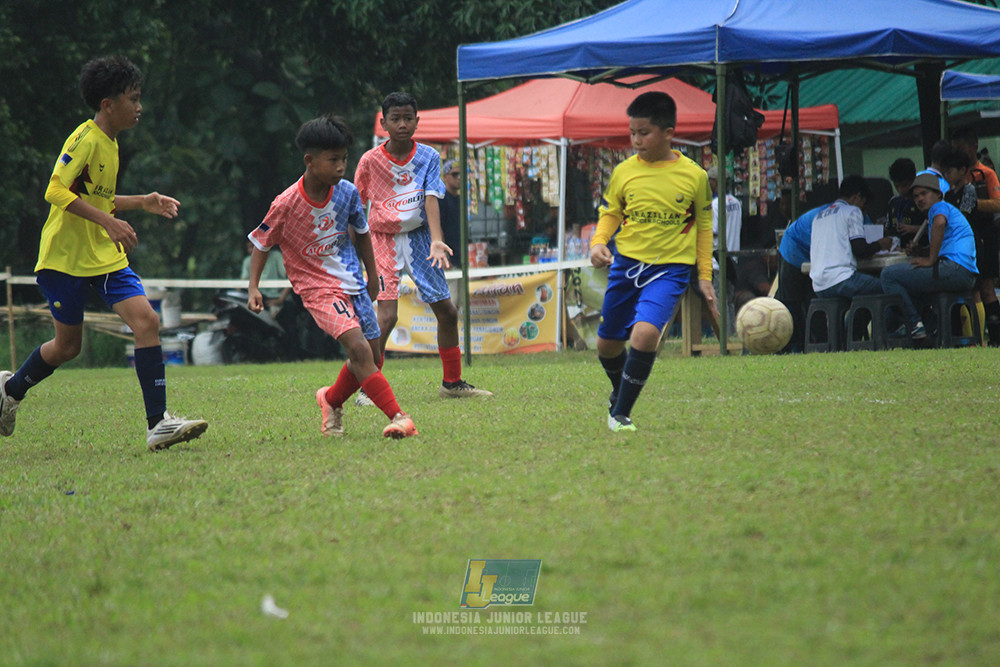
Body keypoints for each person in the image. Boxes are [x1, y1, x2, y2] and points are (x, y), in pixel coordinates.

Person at [0, 55, 207, 451]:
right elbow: (56, 190)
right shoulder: (85, 138)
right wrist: (108, 221)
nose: (139, 106)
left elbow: (100, 199)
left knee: (146, 321)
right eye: (133, 98)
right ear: (108, 104)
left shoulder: (111, 144)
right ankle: (9, 391)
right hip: (64, 259)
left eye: (140, 97)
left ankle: (157, 424)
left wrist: (141, 202)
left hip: (105, 257)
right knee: (67, 347)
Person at [247, 115, 417, 439]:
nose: (341, 167)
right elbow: (261, 242)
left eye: (344, 159)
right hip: (317, 288)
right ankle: (399, 417)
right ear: (309, 161)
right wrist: (253, 287)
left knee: (373, 355)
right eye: (333, 159)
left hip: (352, 280)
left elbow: (363, 233)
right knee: (360, 350)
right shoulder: (285, 203)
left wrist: (372, 273)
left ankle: (331, 400)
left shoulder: (348, 193)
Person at [590, 91, 716, 433]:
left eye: (643, 132)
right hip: (626, 265)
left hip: (670, 268)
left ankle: (620, 415)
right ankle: (620, 394)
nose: (635, 140)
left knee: (644, 336)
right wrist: (599, 242)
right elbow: (610, 212)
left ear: (669, 132)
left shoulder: (695, 177)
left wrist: (704, 275)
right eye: (632, 132)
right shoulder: (623, 172)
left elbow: (704, 227)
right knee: (607, 345)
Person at [354, 92, 491, 401]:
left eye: (408, 118)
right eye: (395, 119)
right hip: (382, 240)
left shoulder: (429, 156)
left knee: (447, 310)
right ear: (383, 123)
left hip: (419, 240)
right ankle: (368, 385)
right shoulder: (369, 161)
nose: (402, 124)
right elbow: (356, 208)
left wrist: (437, 239)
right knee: (386, 316)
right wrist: (353, 252)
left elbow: (431, 198)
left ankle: (452, 384)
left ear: (417, 121)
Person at [880, 173, 978, 340]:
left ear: (938, 194)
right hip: (964, 272)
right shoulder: (942, 211)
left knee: (888, 276)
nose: (919, 199)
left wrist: (930, 259)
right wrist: (920, 251)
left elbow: (939, 224)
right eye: (916, 196)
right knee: (911, 285)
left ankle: (913, 325)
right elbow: (944, 246)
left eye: (924, 193)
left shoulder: (939, 207)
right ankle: (929, 328)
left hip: (954, 268)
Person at [952, 126, 1000, 345]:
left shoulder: (985, 173)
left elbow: (998, 203)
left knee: (987, 288)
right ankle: (972, 338)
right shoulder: (952, 178)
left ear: (974, 147)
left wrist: (972, 204)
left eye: (962, 149)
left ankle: (995, 337)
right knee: (970, 289)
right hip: (964, 238)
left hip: (985, 235)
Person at [809, 176, 893, 300]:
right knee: (889, 286)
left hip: (819, 286)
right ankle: (911, 319)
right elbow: (860, 250)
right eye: (863, 205)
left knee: (861, 302)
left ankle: (852, 320)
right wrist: (880, 244)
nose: (863, 211)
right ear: (857, 197)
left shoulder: (819, 217)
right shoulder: (852, 211)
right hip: (842, 279)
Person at [775, 205, 825, 352]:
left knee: (811, 300)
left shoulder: (854, 213)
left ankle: (817, 343)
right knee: (791, 303)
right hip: (793, 251)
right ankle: (791, 346)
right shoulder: (840, 214)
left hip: (811, 257)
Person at [708, 165, 742, 332]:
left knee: (720, 299)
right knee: (728, 299)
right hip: (734, 256)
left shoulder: (716, 204)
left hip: (718, 257)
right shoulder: (736, 203)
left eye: (710, 181)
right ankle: (732, 333)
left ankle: (725, 335)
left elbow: (714, 232)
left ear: (715, 182)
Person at [240, 240, 291, 314]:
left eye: (253, 247)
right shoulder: (247, 261)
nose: (250, 250)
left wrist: (280, 300)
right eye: (249, 247)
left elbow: (289, 278)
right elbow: (242, 283)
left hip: (276, 299)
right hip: (258, 299)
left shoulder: (276, 256)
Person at [885, 157, 923, 249]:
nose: (901, 190)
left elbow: (936, 228)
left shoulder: (923, 200)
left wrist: (914, 229)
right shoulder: (893, 202)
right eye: (897, 186)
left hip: (920, 250)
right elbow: (888, 228)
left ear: (914, 179)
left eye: (905, 185)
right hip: (898, 252)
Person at [438, 158, 463, 269]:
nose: (459, 177)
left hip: (460, 256)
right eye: (454, 174)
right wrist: (444, 256)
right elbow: (438, 228)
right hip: (448, 259)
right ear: (445, 177)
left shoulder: (460, 200)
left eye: (461, 174)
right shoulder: (441, 199)